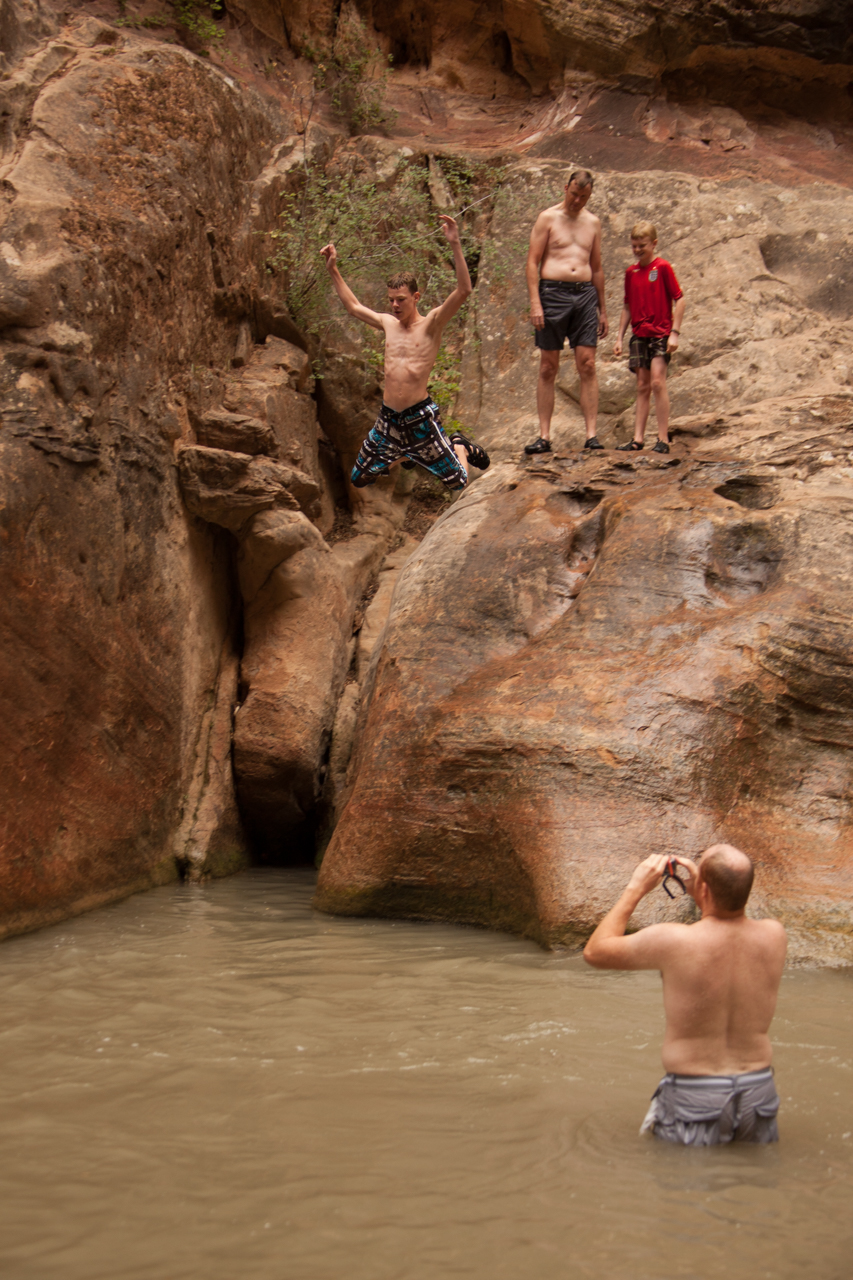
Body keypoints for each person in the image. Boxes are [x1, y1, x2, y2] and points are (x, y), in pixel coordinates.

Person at [583, 844, 787, 1146]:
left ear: (703, 889)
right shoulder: (774, 935)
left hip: (695, 1097)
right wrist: (705, 892)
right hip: (758, 1093)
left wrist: (636, 888)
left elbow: (595, 952)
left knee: (682, 1189)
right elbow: (727, 915)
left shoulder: (675, 941)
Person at [320, 216, 489, 493]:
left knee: (458, 481)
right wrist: (333, 269)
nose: (395, 305)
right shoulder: (388, 323)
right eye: (391, 300)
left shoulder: (432, 325)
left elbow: (463, 290)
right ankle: (408, 454)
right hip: (388, 419)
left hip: (419, 417)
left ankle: (458, 445)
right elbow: (353, 307)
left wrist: (455, 243)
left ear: (416, 297)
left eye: (401, 299)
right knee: (359, 477)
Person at [524, 169, 608, 456]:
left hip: (584, 294)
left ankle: (592, 435)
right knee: (548, 366)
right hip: (552, 293)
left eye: (583, 197)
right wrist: (535, 302)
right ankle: (544, 436)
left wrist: (603, 309)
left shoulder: (593, 223)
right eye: (574, 194)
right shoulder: (548, 218)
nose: (577, 201)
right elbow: (532, 262)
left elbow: (597, 268)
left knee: (587, 364)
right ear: (565, 188)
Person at [613, 221, 685, 455]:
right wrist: (619, 337)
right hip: (639, 334)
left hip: (660, 333)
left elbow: (680, 299)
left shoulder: (662, 267)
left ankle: (662, 437)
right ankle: (637, 439)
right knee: (642, 385)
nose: (637, 250)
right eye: (634, 246)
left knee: (657, 382)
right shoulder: (631, 273)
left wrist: (675, 332)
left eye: (642, 245)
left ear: (653, 244)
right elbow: (627, 306)